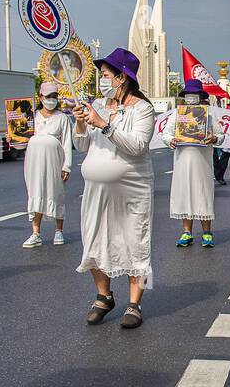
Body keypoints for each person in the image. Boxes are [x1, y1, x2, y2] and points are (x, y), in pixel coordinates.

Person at [75, 48, 157, 329]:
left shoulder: (143, 109)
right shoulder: (97, 104)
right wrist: (80, 123)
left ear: (122, 77)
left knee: (137, 242)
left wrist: (104, 124)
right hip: (97, 191)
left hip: (131, 189)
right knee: (96, 241)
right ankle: (103, 296)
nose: (102, 79)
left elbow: (136, 146)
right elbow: (81, 146)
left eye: (106, 74)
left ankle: (135, 303)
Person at [163, 79, 219, 247]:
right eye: (188, 94)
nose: (190, 97)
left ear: (200, 96)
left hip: (202, 162)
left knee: (203, 194)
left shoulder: (208, 114)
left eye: (193, 94)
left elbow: (220, 135)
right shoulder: (177, 114)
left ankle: (207, 232)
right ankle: (187, 232)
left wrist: (214, 138)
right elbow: (166, 133)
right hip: (182, 161)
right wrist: (170, 140)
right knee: (184, 194)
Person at [21, 81, 73, 247]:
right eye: (48, 96)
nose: (51, 100)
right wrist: (14, 139)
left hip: (54, 161)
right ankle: (36, 233)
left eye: (54, 96)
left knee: (56, 192)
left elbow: (66, 143)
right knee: (35, 192)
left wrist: (66, 166)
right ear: (40, 97)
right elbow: (22, 138)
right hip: (34, 161)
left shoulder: (62, 118)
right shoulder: (31, 117)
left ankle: (59, 231)